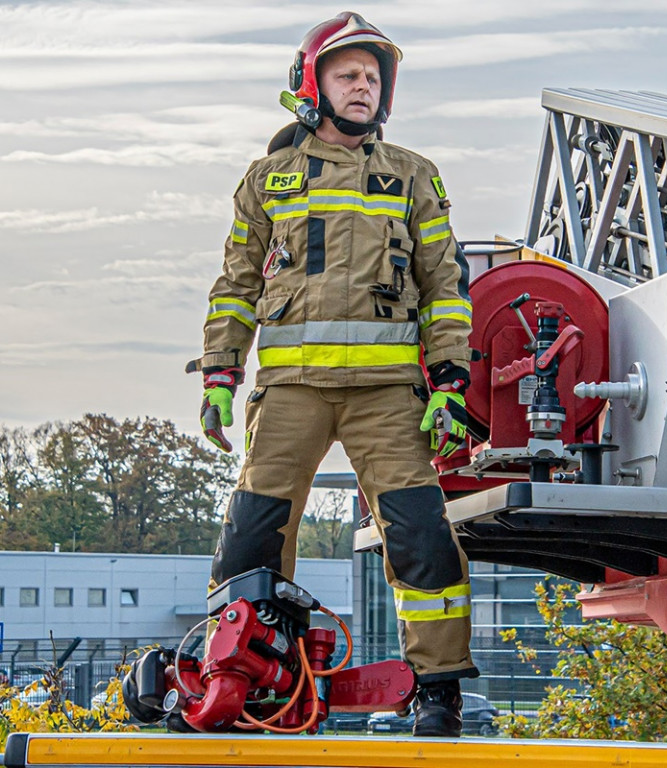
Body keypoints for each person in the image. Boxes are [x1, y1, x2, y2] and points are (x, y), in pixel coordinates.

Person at [193, 11, 476, 737]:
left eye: (373, 77)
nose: (362, 86)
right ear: (310, 84)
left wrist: (450, 384)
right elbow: (235, 285)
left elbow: (446, 287)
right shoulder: (268, 179)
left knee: (421, 535)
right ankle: (248, 678)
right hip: (291, 390)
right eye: (348, 74)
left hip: (387, 395)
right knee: (253, 535)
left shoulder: (413, 175)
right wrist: (220, 374)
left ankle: (438, 688)